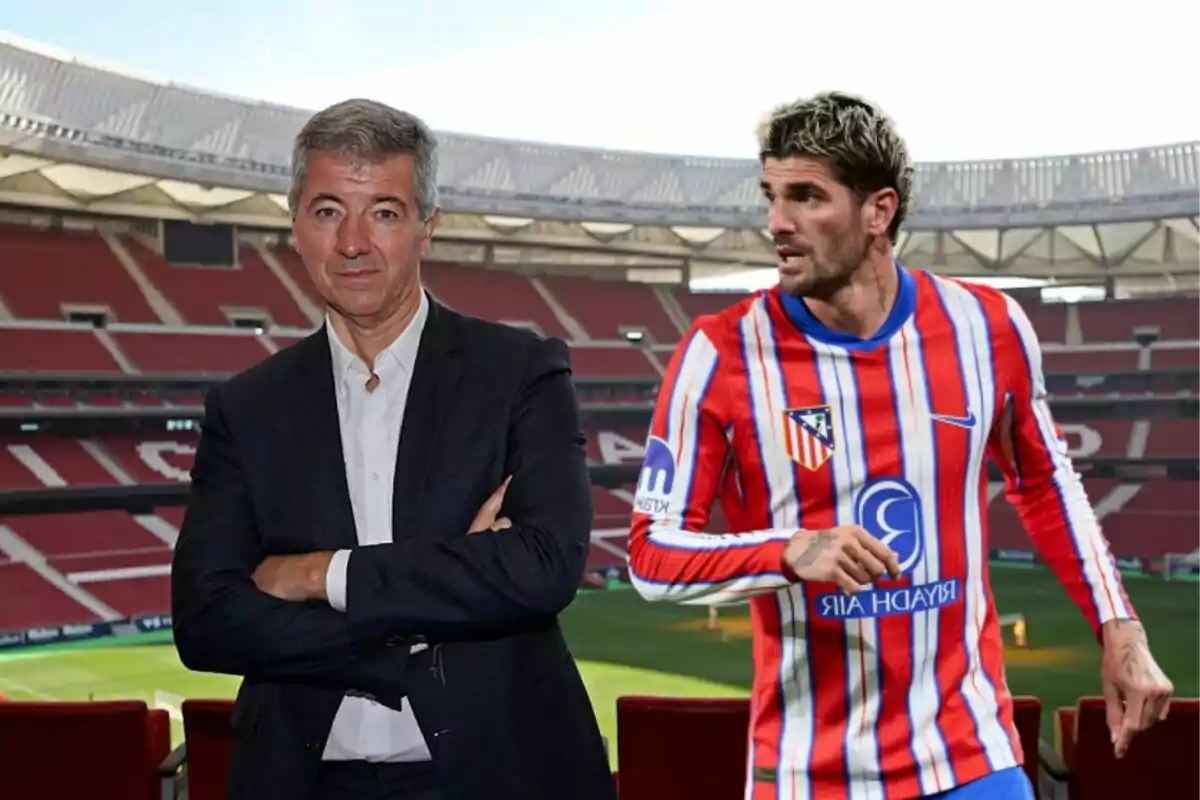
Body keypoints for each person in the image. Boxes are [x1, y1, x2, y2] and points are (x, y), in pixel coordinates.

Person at [626, 91, 1174, 799]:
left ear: (878, 212)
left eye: (806, 197)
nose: (777, 224)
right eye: (771, 195)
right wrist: (789, 550)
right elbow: (650, 555)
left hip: (971, 754)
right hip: (811, 771)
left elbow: (1045, 483)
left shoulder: (988, 327)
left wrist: (1119, 629)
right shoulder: (719, 354)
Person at [171, 98, 613, 800]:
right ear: (294, 226)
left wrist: (323, 576)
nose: (352, 243)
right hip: (304, 779)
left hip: (500, 774)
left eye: (383, 211)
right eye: (325, 211)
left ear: (426, 227)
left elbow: (543, 566)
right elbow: (205, 622)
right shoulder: (246, 406)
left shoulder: (521, 370)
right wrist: (426, 610)